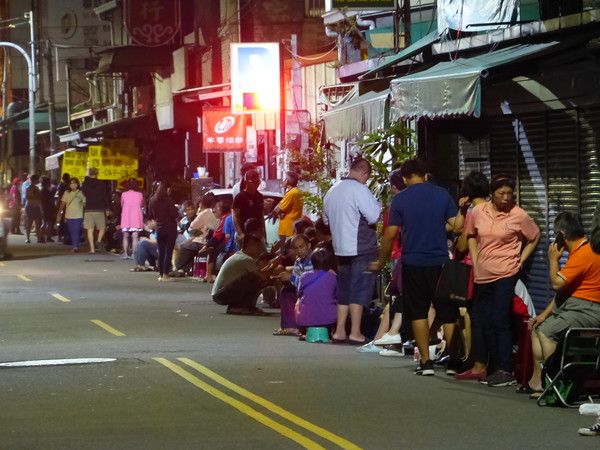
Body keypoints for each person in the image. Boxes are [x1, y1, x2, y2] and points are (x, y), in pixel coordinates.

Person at [377, 158, 459, 376]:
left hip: (412, 262)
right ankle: (452, 361)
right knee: (448, 312)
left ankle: (426, 363)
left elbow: (391, 234)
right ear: (426, 175)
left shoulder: (400, 200)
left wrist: (381, 259)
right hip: (440, 261)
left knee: (418, 313)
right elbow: (457, 224)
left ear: (404, 178)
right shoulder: (442, 195)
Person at [465, 174, 540, 386]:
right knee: (485, 321)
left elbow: (534, 236)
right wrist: (477, 260)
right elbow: (470, 235)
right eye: (501, 194)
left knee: (500, 319)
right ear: (492, 194)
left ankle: (505, 369)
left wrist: (521, 259)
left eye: (509, 194)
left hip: (506, 272)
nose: (506, 198)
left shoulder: (519, 215)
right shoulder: (479, 211)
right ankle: (494, 366)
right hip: (483, 273)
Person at [526, 212, 600, 395]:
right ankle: (538, 381)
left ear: (562, 235)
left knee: (546, 332)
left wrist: (553, 260)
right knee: (537, 328)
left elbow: (556, 284)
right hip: (575, 306)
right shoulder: (582, 250)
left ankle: (556, 384)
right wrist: (543, 315)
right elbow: (564, 292)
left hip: (587, 310)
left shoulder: (584, 253)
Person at [323, 157, 382, 345]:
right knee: (360, 289)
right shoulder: (360, 190)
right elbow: (373, 216)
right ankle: (355, 332)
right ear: (364, 172)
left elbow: (326, 221)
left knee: (345, 290)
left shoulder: (332, 191)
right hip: (360, 247)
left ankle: (340, 331)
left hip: (339, 248)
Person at [212, 235, 279, 315]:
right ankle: (239, 307)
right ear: (250, 246)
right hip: (222, 295)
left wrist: (270, 265)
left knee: (256, 278)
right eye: (258, 247)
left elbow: (262, 273)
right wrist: (274, 265)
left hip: (220, 293)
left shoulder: (241, 256)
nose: (259, 250)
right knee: (255, 279)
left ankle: (244, 307)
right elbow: (263, 276)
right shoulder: (245, 259)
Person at [274, 233, 313, 336]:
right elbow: (297, 282)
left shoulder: (313, 259)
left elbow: (311, 283)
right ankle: (291, 326)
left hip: (314, 292)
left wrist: (291, 277)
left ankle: (292, 326)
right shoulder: (298, 261)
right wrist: (287, 279)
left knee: (288, 292)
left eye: (302, 247)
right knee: (287, 291)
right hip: (303, 291)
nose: (299, 251)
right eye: (296, 248)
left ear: (308, 245)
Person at [171, 194, 219, 277]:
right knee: (188, 246)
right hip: (206, 239)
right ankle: (183, 269)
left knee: (185, 248)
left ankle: (179, 268)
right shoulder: (211, 214)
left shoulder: (203, 214)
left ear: (201, 204)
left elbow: (192, 227)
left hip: (201, 240)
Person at [295, 247, 338, 332]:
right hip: (329, 320)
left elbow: (298, 293)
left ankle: (302, 331)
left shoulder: (304, 276)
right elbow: (338, 295)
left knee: (298, 301)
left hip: (305, 320)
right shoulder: (334, 277)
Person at [149, 181, 179, 281]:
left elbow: (151, 214)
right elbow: (174, 214)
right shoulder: (168, 200)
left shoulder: (152, 200)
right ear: (167, 189)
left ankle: (161, 273)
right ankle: (166, 274)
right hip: (169, 228)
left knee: (161, 251)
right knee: (168, 251)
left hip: (159, 228)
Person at [269, 171, 303, 251]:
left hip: (288, 229)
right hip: (292, 227)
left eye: (283, 179)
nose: (282, 181)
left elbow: (280, 208)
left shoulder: (291, 193)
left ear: (287, 181)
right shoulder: (296, 192)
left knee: (286, 252)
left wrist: (273, 214)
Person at [81, 167, 110, 254]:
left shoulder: (85, 183)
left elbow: (84, 193)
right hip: (99, 208)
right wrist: (107, 208)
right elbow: (105, 196)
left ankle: (92, 249)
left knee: (90, 229)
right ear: (97, 174)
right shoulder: (101, 183)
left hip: (89, 208)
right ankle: (98, 240)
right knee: (102, 228)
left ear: (89, 174)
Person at [233, 169, 265, 243]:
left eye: (258, 181)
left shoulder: (259, 196)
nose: (256, 184)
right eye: (253, 182)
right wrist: (240, 234)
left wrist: (264, 235)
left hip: (257, 234)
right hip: (244, 234)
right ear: (246, 182)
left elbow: (261, 217)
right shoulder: (240, 197)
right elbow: (235, 216)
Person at [56, 178, 86, 253]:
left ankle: (75, 246)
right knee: (71, 231)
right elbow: (63, 203)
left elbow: (85, 204)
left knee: (76, 230)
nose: (73, 185)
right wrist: (59, 212)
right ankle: (75, 245)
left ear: (77, 184)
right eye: (71, 184)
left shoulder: (81, 193)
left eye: (75, 184)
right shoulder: (67, 192)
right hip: (69, 215)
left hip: (78, 215)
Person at [120, 179, 144, 259]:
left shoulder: (124, 194)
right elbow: (141, 204)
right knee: (135, 236)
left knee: (125, 235)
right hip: (136, 216)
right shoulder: (140, 194)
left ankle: (125, 253)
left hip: (126, 216)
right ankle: (134, 254)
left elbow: (122, 204)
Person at [24, 174, 43, 244]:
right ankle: (27, 238)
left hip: (36, 206)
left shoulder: (37, 188)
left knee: (37, 223)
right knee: (29, 222)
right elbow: (28, 197)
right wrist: (37, 197)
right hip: (30, 206)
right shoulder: (29, 188)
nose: (38, 181)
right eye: (37, 179)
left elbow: (40, 197)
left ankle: (38, 238)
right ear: (34, 180)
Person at [40, 176, 56, 243]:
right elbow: (49, 200)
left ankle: (46, 236)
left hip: (46, 208)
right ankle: (42, 236)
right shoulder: (45, 191)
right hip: (47, 208)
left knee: (48, 223)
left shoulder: (44, 190)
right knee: (46, 223)